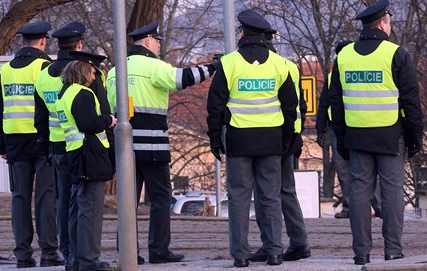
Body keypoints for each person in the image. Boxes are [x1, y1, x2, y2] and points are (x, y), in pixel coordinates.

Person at [106, 21, 215, 264]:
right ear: (146, 42)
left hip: (123, 149)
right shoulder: (152, 66)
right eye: (157, 41)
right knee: (161, 198)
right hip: (152, 146)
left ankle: (127, 251)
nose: (158, 46)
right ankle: (159, 250)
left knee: (128, 201)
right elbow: (183, 78)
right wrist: (212, 67)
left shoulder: (114, 71)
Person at [328, 0, 423, 265]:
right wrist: (415, 138)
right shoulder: (396, 54)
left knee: (359, 193)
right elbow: (411, 102)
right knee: (392, 192)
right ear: (382, 24)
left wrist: (342, 139)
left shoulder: (344, 56)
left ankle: (361, 253)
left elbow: (336, 102)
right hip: (391, 136)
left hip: (357, 136)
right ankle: (393, 250)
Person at [207, 10, 298, 267]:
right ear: (264, 35)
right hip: (271, 141)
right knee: (270, 198)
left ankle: (241, 256)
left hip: (239, 141)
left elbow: (214, 106)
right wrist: (287, 136)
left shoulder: (229, 63)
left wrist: (215, 140)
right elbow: (290, 105)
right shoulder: (279, 64)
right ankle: (275, 252)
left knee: (238, 198)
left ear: (242, 33)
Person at [0, 20, 64, 268]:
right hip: (41, 141)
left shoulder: (6, 70)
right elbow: (52, 104)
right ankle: (49, 253)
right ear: (43, 40)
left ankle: (23, 255)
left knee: (19, 198)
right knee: (46, 197)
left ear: (22, 41)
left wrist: (1, 145)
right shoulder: (45, 67)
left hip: (14, 142)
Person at [250, 28, 311, 263]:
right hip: (289, 138)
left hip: (267, 138)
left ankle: (270, 243)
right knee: (286, 191)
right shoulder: (290, 66)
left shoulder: (263, 65)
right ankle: (299, 242)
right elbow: (300, 105)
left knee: (264, 193)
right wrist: (296, 134)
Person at [55, 51, 116, 271]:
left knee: (77, 211)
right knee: (90, 212)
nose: (94, 76)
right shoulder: (83, 94)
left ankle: (75, 260)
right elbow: (89, 124)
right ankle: (89, 261)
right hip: (90, 156)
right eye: (92, 71)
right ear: (83, 70)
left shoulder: (66, 93)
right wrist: (109, 120)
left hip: (76, 155)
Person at [34, 21, 87, 270]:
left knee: (62, 201)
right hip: (81, 146)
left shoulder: (43, 75)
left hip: (56, 146)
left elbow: (40, 118)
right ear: (79, 44)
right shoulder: (84, 71)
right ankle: (82, 253)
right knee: (83, 203)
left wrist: (44, 144)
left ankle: (66, 250)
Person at [316, 41, 383, 219]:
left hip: (356, 125)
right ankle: (353, 207)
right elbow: (324, 103)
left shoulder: (356, 72)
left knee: (360, 168)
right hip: (345, 127)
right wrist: (320, 127)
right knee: (347, 169)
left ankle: (376, 206)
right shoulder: (333, 76)